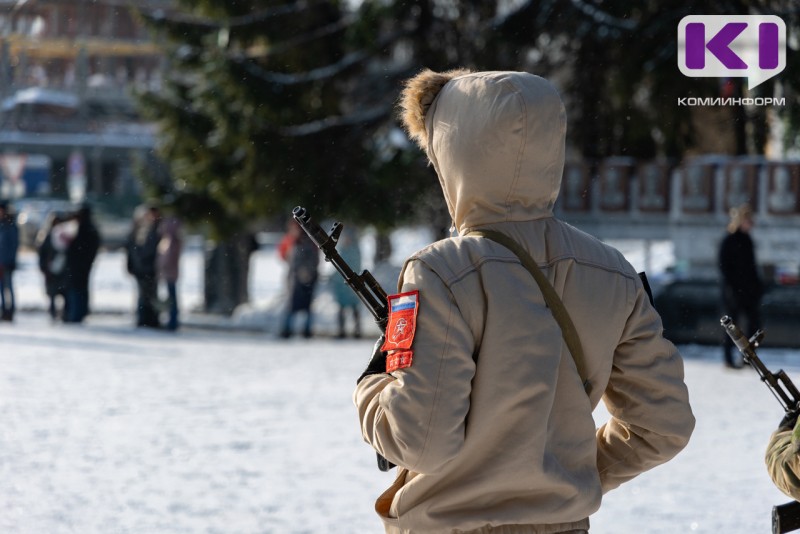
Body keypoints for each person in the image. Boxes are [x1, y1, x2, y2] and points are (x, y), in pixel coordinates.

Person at [353, 69, 695, 533]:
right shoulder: (613, 272)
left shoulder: (440, 271)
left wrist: (371, 387)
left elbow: (421, 441)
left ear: (453, 151)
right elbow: (663, 424)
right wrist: (562, 480)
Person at [718, 204, 763, 369]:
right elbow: (724, 266)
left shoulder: (747, 239)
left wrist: (757, 286)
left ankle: (748, 359)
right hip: (733, 291)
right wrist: (733, 287)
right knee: (731, 327)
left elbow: (751, 266)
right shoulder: (729, 240)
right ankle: (728, 359)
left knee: (753, 325)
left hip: (749, 290)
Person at [63, 204, 100, 323]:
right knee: (81, 289)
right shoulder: (90, 229)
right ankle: (80, 312)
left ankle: (76, 314)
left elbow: (77, 248)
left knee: (76, 290)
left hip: (78, 266)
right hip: (83, 265)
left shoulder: (83, 229)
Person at [126, 203, 161, 328]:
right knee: (144, 295)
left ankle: (149, 318)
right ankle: (144, 318)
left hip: (149, 267)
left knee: (149, 295)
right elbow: (134, 250)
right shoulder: (140, 230)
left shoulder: (152, 229)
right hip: (142, 268)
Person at [279, 229, 319, 338]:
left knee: (301, 307)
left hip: (304, 280)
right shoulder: (294, 243)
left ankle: (303, 330)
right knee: (293, 306)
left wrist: (306, 273)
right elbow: (284, 255)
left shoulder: (308, 245)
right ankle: (289, 329)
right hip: (296, 280)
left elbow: (313, 262)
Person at [36, 211, 75, 321]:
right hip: (51, 270)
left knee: (64, 293)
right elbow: (42, 253)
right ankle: (54, 314)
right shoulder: (48, 236)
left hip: (62, 270)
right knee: (53, 294)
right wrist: (44, 267)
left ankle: (65, 315)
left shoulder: (65, 236)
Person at [332, 225, 362, 338]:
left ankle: (357, 331)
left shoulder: (354, 250)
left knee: (354, 307)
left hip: (351, 282)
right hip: (341, 284)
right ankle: (341, 330)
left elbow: (355, 265)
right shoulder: (343, 249)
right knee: (342, 308)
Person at [156, 214, 182, 330]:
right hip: (171, 272)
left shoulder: (170, 240)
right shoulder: (173, 239)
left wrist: (162, 269)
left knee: (171, 298)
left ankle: (173, 321)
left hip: (169, 272)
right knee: (172, 297)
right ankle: (172, 320)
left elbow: (166, 258)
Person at [0, 200, 19, 321]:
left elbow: (13, 245)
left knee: (9, 287)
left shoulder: (10, 225)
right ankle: (4, 310)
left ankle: (10, 310)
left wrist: (9, 261)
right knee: (2, 288)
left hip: (7, 263)